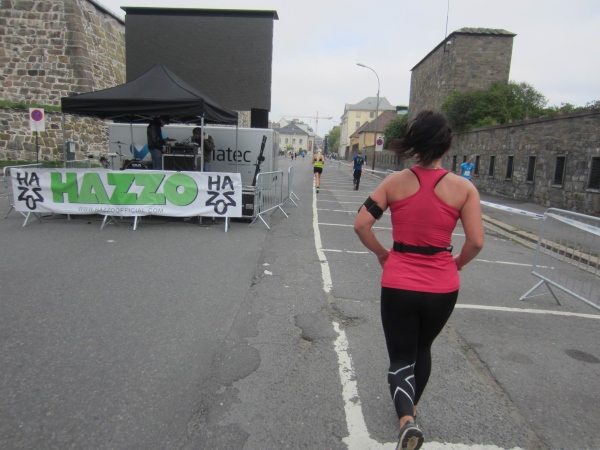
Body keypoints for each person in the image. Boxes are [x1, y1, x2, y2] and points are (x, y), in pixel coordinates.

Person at [353, 110, 484, 450]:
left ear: (414, 143)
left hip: (399, 281)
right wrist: (457, 264)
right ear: (446, 146)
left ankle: (406, 421)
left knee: (400, 357)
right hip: (442, 285)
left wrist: (383, 254)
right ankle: (411, 409)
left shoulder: (394, 182)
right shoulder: (464, 188)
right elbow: (476, 242)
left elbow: (361, 225)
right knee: (422, 348)